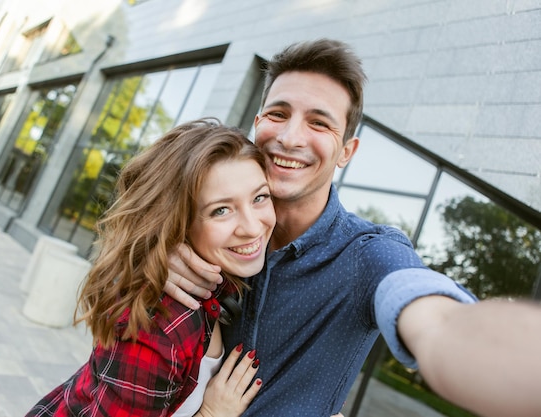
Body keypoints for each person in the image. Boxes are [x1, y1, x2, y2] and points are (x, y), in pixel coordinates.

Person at [165, 39, 541, 417]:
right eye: (278, 113)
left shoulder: (367, 255)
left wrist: (469, 341)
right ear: (258, 123)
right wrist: (159, 252)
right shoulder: (207, 226)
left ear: (347, 150)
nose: (291, 137)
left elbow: (428, 310)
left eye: (319, 122)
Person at [25, 118, 277, 417]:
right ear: (178, 221)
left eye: (260, 197)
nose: (252, 227)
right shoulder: (155, 326)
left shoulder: (218, 283)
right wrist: (211, 414)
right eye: (221, 210)